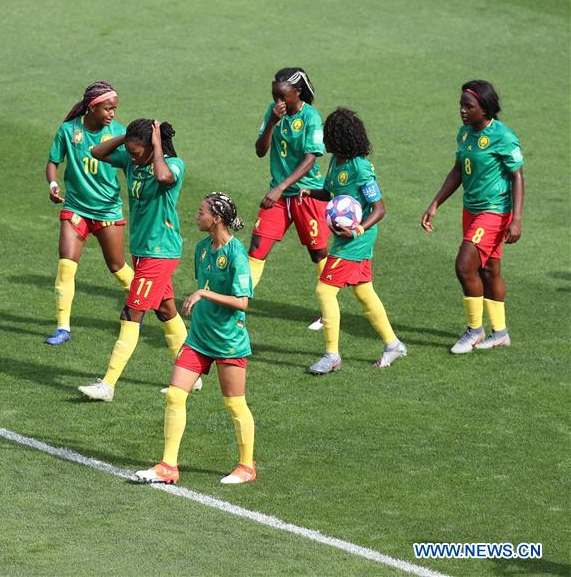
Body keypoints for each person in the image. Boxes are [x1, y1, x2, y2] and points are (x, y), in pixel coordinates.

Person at [136, 193, 256, 485]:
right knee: (176, 395)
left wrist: (202, 294)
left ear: (216, 218)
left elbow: (242, 302)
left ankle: (246, 466)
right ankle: (168, 465)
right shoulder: (202, 249)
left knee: (234, 403)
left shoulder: (237, 254)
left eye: (201, 211)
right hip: (199, 338)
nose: (195, 215)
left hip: (228, 341)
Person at [77, 120, 188, 401]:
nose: (132, 156)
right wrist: (125, 137)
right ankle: (191, 376)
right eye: (130, 150)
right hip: (143, 249)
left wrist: (158, 148)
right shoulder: (131, 158)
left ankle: (108, 385)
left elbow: (164, 178)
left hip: (160, 252)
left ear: (153, 146)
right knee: (165, 311)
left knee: (130, 315)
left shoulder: (173, 165)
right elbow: (97, 152)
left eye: (137, 151)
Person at [297, 108, 407, 374]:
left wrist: (357, 230)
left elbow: (379, 209)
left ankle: (331, 355)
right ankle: (393, 345)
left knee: (324, 291)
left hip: (357, 238)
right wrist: (311, 191)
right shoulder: (336, 161)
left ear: (341, 138)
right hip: (347, 236)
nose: (325, 141)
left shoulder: (360, 167)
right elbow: (332, 192)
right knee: (364, 291)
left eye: (329, 136)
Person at [422, 80, 524, 353]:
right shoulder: (465, 134)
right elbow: (458, 170)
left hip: (494, 211)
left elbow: (517, 176)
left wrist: (516, 219)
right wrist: (436, 203)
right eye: (461, 105)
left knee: (464, 266)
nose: (463, 111)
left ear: (485, 108)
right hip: (471, 210)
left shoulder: (503, 136)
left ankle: (475, 331)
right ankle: (500, 333)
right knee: (489, 270)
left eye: (469, 106)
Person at [44, 81, 135, 345]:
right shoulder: (68, 131)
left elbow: (133, 165)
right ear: (93, 107)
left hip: (107, 210)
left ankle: (152, 302)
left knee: (117, 267)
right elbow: (52, 162)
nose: (112, 114)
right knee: (66, 265)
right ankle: (63, 327)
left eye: (115, 109)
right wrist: (53, 184)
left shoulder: (119, 134)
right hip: (76, 208)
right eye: (108, 108)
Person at [249, 68, 329, 330]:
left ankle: (327, 311)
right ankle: (235, 306)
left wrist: (281, 187)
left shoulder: (311, 118)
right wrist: (271, 122)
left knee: (318, 253)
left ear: (298, 92)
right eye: (275, 95)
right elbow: (261, 151)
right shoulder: (273, 112)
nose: (278, 101)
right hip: (280, 196)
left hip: (307, 194)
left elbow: (310, 159)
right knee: (257, 250)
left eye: (282, 96)